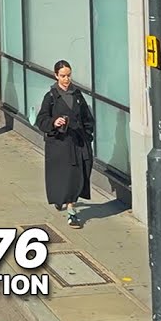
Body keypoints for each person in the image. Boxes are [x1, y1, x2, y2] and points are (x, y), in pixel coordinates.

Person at [34, 60, 95, 229]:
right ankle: (71, 211)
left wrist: (87, 135)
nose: (66, 79)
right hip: (60, 145)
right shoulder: (51, 97)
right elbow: (41, 120)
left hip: (78, 143)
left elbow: (87, 118)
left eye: (68, 75)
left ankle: (66, 201)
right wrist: (54, 122)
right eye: (62, 76)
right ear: (56, 76)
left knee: (79, 174)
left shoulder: (77, 95)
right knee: (67, 176)